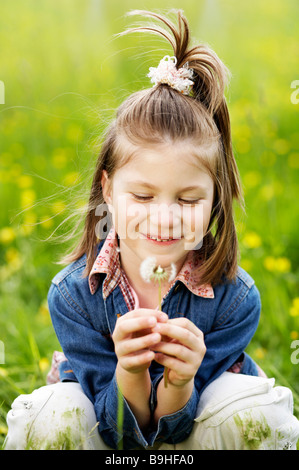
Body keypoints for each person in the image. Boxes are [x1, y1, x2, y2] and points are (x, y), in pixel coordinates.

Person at [4, 10, 299, 450]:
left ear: (215, 200)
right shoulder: (73, 297)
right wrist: (129, 371)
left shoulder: (236, 300)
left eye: (187, 200)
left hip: (198, 435)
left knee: (252, 413)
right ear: (107, 189)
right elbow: (117, 432)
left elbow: (182, 427)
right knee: (56, 418)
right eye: (142, 197)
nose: (165, 218)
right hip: (106, 433)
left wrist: (181, 382)